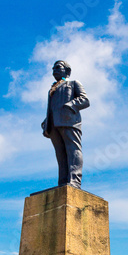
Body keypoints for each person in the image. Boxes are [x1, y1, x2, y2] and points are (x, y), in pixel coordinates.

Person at [41, 60, 89, 188]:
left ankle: (75, 181)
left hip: (69, 121)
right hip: (53, 125)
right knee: (60, 154)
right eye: (53, 68)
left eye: (58, 67)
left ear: (67, 71)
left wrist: (70, 105)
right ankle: (63, 182)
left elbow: (85, 100)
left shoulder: (73, 83)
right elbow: (51, 108)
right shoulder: (51, 90)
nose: (54, 70)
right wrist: (47, 121)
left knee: (73, 150)